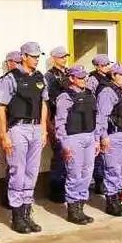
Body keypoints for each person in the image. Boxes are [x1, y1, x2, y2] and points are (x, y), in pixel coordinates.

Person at [0, 41, 48, 234]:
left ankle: (27, 213)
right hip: (18, 128)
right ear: (23, 56)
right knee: (18, 172)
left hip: (35, 128)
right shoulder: (11, 78)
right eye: (33, 56)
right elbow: (0, 107)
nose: (36, 60)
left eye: (38, 56)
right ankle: (17, 216)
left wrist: (43, 128)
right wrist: (3, 135)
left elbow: (43, 103)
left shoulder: (40, 77)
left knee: (32, 173)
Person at [55, 65, 98, 225]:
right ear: (71, 78)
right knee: (75, 174)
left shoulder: (89, 94)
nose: (83, 80)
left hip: (89, 136)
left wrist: (97, 139)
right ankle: (73, 210)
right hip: (73, 138)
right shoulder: (65, 97)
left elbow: (95, 117)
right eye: (79, 77)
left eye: (84, 77)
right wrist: (64, 144)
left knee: (87, 174)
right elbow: (60, 123)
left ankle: (81, 207)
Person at [95, 63, 122, 216]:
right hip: (115, 135)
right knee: (113, 169)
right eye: (121, 74)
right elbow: (101, 117)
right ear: (113, 76)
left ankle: (118, 199)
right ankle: (112, 203)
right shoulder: (108, 92)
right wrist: (103, 136)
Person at [0, 51, 22, 209]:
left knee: (20, 166)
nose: (18, 64)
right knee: (13, 166)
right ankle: (8, 199)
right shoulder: (4, 82)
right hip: (11, 127)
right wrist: (2, 133)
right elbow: (0, 108)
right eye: (15, 62)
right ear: (9, 63)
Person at [44, 46, 70, 203]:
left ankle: (66, 187)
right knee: (60, 154)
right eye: (61, 57)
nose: (64, 59)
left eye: (65, 56)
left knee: (69, 154)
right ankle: (56, 189)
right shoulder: (49, 76)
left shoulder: (68, 73)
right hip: (56, 118)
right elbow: (51, 100)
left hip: (70, 119)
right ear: (54, 58)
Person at [86, 54, 112, 195]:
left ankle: (104, 180)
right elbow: (90, 98)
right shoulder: (93, 79)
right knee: (98, 152)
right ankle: (98, 181)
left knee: (106, 151)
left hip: (108, 116)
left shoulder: (108, 78)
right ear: (99, 66)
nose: (109, 67)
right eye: (106, 64)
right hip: (97, 117)